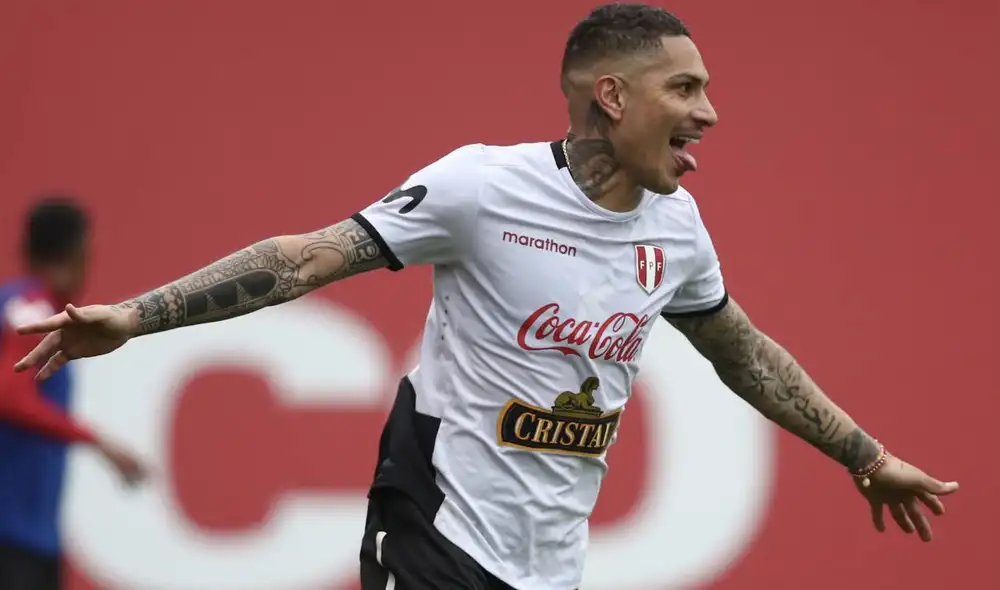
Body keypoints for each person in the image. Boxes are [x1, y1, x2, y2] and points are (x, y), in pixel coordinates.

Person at [10, 4, 958, 590]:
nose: (710, 112)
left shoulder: (678, 229)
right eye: (687, 87)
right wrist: (137, 315)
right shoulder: (480, 187)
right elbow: (307, 259)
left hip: (551, 563)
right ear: (613, 96)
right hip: (435, 533)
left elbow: (739, 349)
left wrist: (863, 454)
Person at [0, 196, 146, 590]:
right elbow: (9, 396)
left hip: (29, 531)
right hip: (13, 534)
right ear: (77, 254)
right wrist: (99, 442)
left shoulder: (18, 304)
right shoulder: (30, 309)